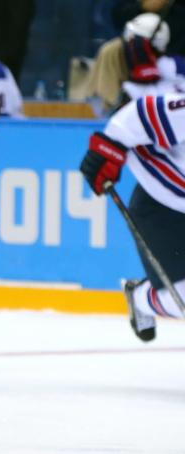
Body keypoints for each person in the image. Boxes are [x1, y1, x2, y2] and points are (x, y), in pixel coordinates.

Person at [80, 92, 185, 341]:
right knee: (180, 295)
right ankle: (141, 297)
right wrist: (108, 147)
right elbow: (139, 112)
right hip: (160, 205)